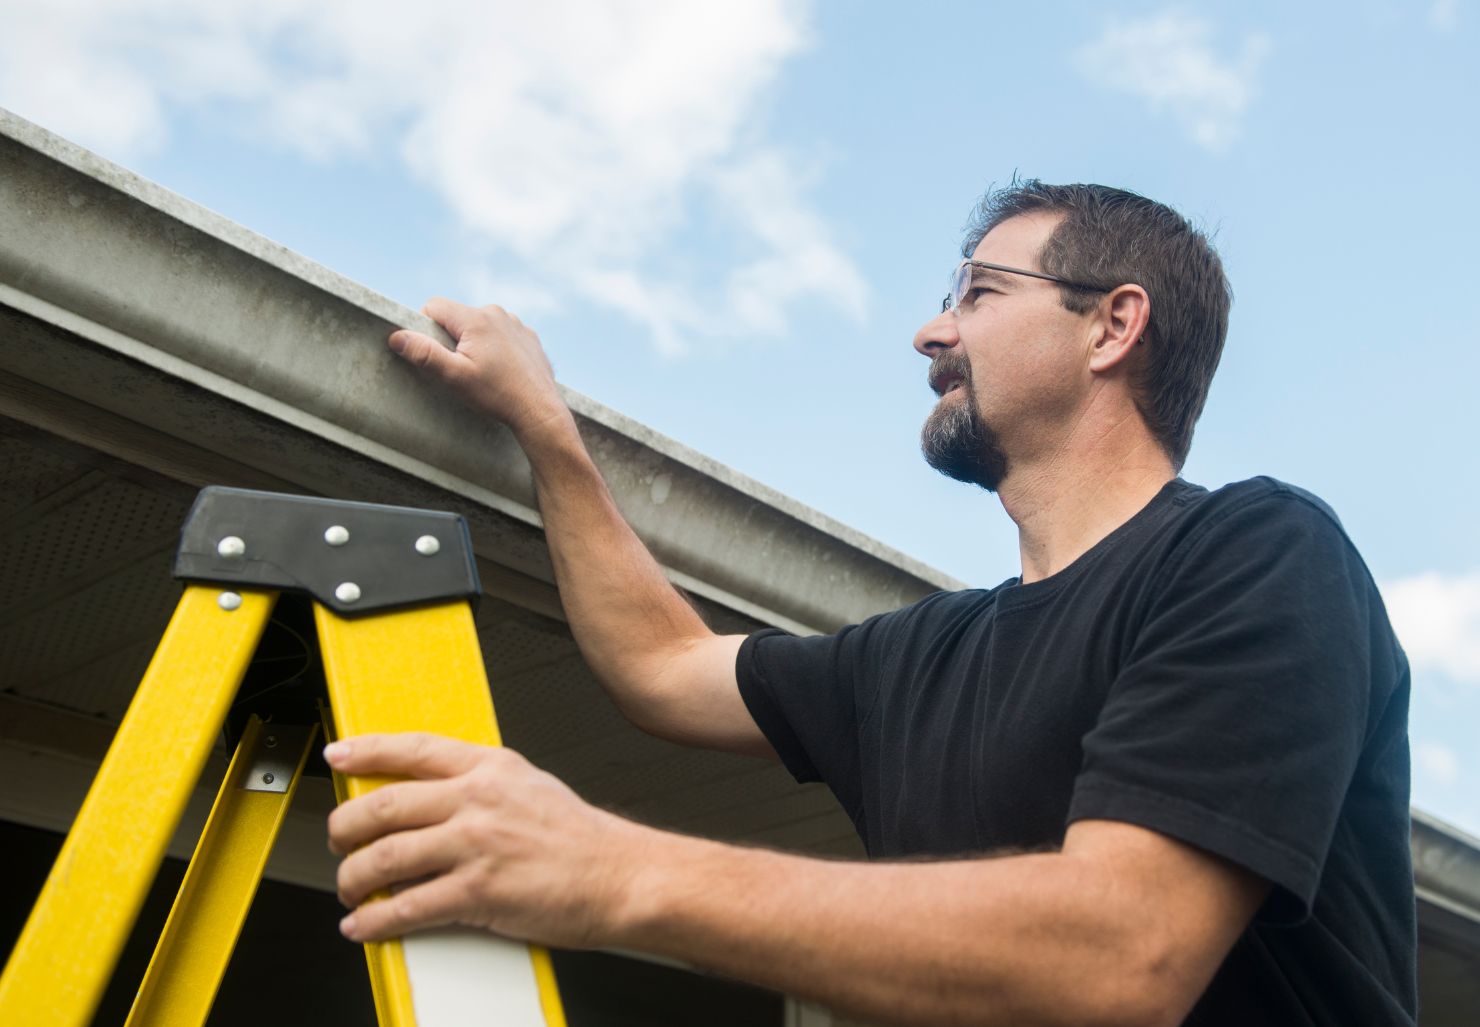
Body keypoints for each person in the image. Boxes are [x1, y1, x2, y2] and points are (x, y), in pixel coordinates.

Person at [325, 181, 1417, 1027]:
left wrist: (609, 871)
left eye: (979, 294)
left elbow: (1126, 955)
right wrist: (547, 435)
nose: (930, 335)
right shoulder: (918, 661)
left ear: (1111, 326)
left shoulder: (1259, 553)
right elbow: (662, 667)